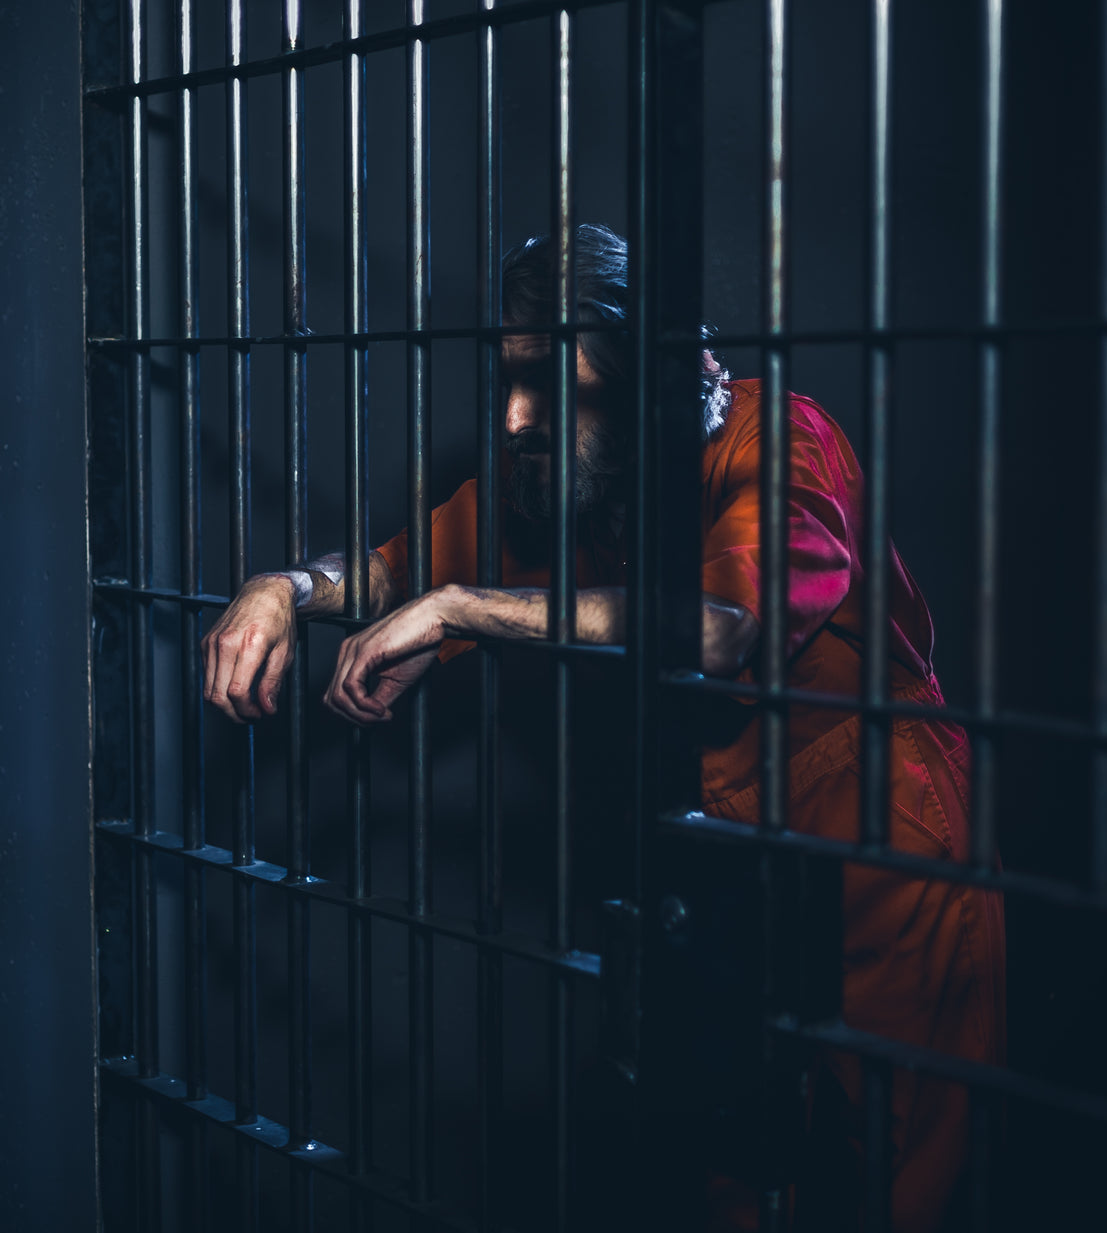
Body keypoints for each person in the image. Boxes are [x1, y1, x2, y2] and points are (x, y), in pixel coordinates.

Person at [201, 224, 1005, 1232]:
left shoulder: (776, 439)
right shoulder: (569, 488)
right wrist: (278, 589)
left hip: (881, 859)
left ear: (638, 379)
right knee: (729, 1174)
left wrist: (458, 609)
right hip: (718, 875)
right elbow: (385, 572)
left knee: (887, 1192)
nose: (512, 416)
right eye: (507, 378)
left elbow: (715, 632)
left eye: (546, 381)